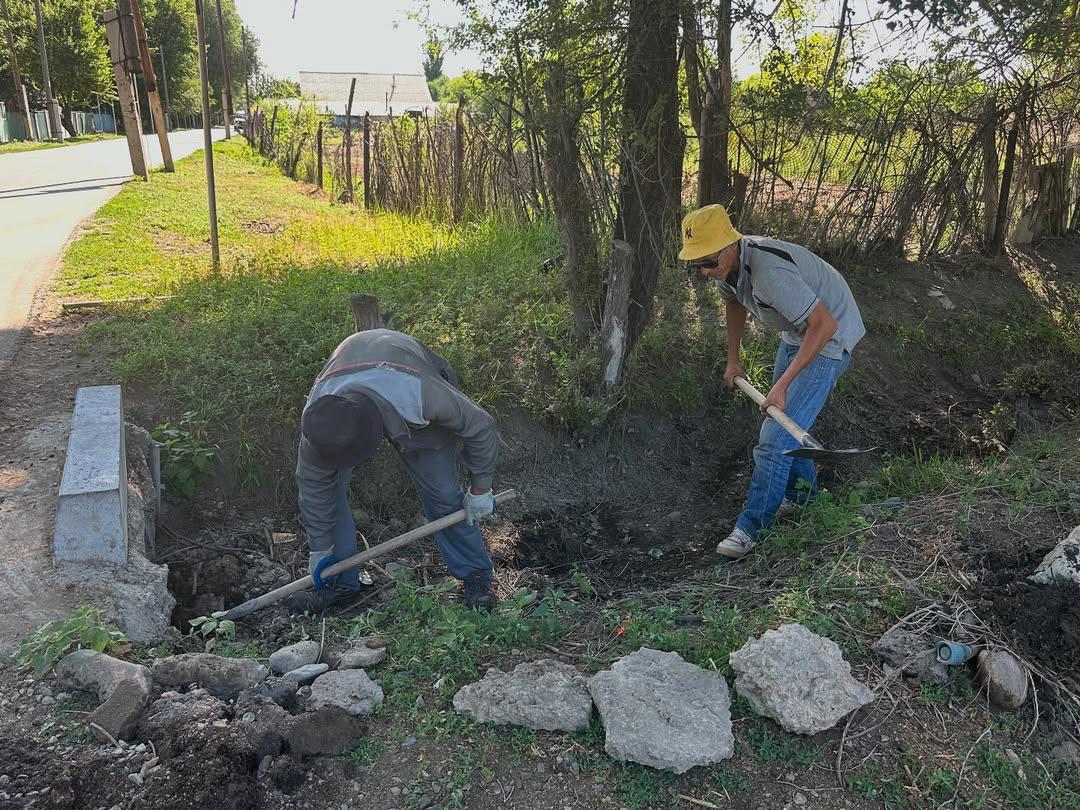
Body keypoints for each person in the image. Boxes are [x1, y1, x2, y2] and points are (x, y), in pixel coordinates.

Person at [679, 204, 865, 559]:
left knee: (775, 436)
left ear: (730, 244)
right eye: (695, 264)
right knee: (784, 426)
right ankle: (805, 501)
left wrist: (780, 386)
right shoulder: (728, 269)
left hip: (830, 336)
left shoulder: (769, 273)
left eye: (707, 262)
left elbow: (824, 326)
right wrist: (734, 359)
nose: (703, 272)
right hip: (799, 332)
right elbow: (733, 304)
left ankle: (751, 529)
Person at [288, 328, 500, 613]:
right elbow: (314, 490)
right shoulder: (322, 420)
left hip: (406, 371)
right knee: (329, 493)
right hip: (355, 371)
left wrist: (480, 489)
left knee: (443, 492)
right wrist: (320, 549)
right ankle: (339, 582)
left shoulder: (421, 394)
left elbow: (480, 426)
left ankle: (476, 575)